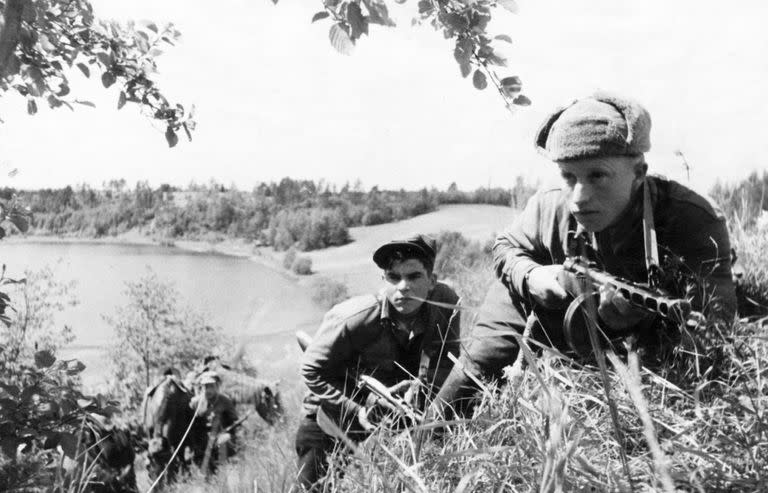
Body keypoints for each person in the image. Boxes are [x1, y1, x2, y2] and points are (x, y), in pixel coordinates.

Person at [435, 92, 737, 415]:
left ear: (638, 173)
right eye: (569, 176)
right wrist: (532, 276)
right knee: (469, 379)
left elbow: (715, 332)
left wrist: (647, 325)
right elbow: (505, 247)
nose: (578, 197)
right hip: (530, 305)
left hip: (602, 335)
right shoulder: (549, 205)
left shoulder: (691, 221)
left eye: (597, 176)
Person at [294, 234, 461, 491]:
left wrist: (422, 390)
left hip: (392, 409)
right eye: (394, 277)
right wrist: (357, 408)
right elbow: (311, 368)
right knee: (313, 487)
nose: (403, 286)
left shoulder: (445, 304)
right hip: (333, 411)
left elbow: (447, 362)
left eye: (414, 276)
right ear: (384, 280)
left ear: (432, 281)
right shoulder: (354, 317)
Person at [189, 370, 239, 472]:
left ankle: (223, 469)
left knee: (224, 442)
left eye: (211, 386)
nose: (208, 390)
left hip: (220, 435)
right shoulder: (195, 403)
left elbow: (234, 422)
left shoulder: (225, 401)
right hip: (201, 438)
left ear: (217, 387)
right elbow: (189, 424)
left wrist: (227, 433)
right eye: (205, 387)